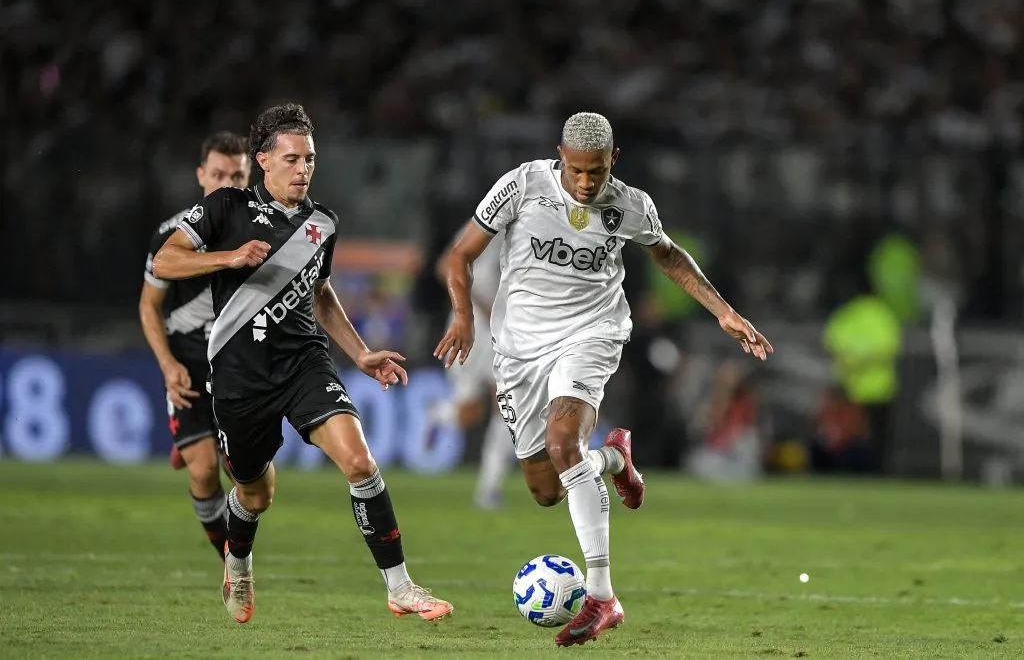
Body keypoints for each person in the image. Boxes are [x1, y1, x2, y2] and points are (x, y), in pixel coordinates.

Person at [435, 112, 771, 646]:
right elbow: (461, 254)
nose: (586, 182)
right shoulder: (522, 186)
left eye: (596, 171)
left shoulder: (630, 205)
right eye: (576, 170)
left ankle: (601, 596)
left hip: (591, 333)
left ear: (614, 160)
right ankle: (613, 459)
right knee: (546, 489)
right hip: (519, 349)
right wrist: (462, 315)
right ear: (559, 157)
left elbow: (669, 256)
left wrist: (723, 312)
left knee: (563, 442)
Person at [152, 103, 453, 625]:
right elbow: (165, 260)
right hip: (240, 375)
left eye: (309, 159)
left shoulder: (323, 222)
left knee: (360, 463)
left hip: (302, 362)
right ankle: (238, 563)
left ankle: (401, 586)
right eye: (292, 159)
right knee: (256, 494)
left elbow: (321, 293)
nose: (303, 169)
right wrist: (227, 258)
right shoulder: (225, 207)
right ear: (263, 160)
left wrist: (360, 353)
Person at [139, 131, 251, 561]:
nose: (227, 185)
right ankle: (231, 563)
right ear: (201, 175)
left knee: (248, 478)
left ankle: (200, 439)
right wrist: (167, 364)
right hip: (188, 361)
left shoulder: (266, 230)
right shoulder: (172, 235)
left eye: (237, 176)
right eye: (218, 175)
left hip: (239, 365)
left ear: (249, 176)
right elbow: (149, 306)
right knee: (204, 472)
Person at [435, 225, 513, 509]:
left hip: (505, 332)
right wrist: (476, 306)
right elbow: (444, 265)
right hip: (473, 329)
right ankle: (437, 415)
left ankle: (489, 489)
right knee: (469, 413)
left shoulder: (536, 224)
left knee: (507, 406)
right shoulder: (487, 222)